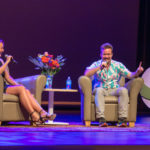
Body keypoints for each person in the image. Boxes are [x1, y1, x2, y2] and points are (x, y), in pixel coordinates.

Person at [84, 43, 144, 127]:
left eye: (108, 54)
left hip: (114, 89)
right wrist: (99, 67)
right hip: (101, 88)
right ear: (101, 54)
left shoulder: (118, 65)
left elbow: (130, 75)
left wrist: (137, 72)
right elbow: (86, 73)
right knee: (99, 90)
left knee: (123, 90)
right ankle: (101, 119)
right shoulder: (96, 64)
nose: (106, 56)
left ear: (112, 54)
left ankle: (122, 119)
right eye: (104, 54)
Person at [0, 39, 56, 125]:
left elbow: (8, 77)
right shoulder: (4, 62)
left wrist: (18, 86)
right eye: (1, 48)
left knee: (24, 90)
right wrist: (7, 61)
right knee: (22, 89)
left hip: (4, 87)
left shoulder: (1, 61)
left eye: (2, 48)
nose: (3, 50)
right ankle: (33, 114)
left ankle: (42, 112)